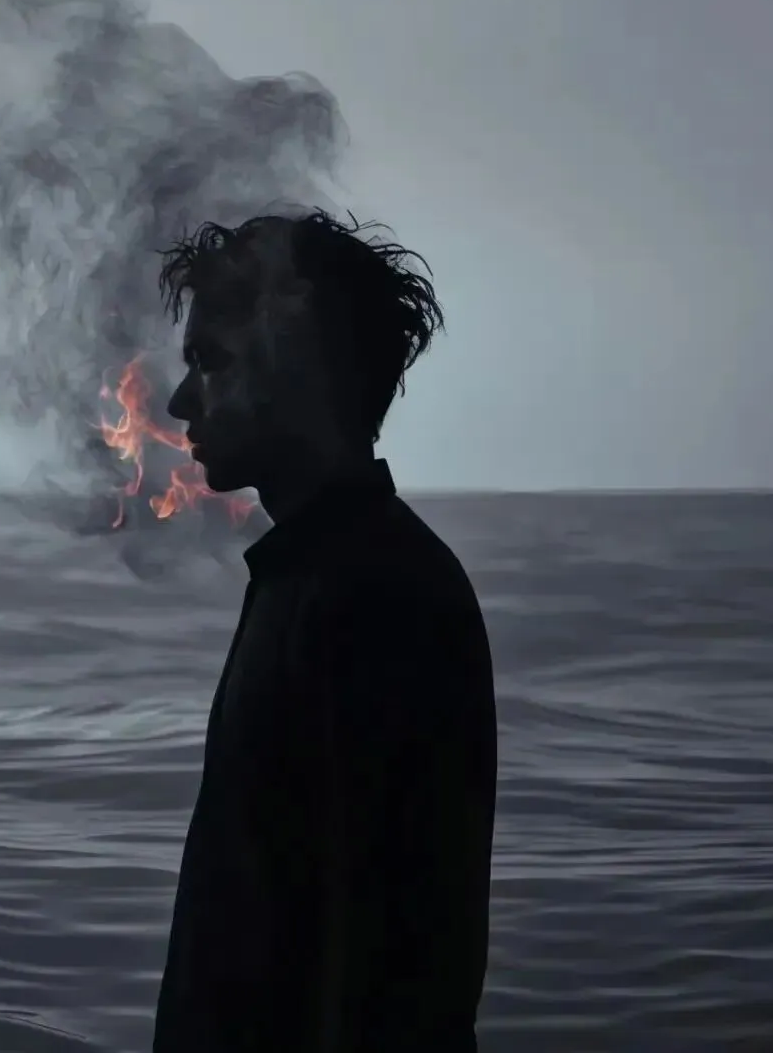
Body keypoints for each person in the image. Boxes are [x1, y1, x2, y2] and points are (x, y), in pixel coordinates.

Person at [151, 210, 497, 1053]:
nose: (180, 400)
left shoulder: (375, 595)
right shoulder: (311, 576)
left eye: (210, 361)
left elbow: (387, 953)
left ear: (295, 369)